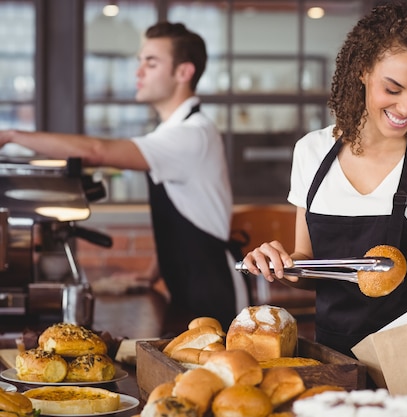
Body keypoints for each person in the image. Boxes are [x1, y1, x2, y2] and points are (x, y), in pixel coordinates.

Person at [241, 1, 407, 357]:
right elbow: (307, 264)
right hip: (332, 358)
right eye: (392, 90)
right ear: (362, 71)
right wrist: (281, 266)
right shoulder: (312, 152)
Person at [0, 21, 248, 332]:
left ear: (184, 72)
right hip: (190, 286)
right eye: (139, 61)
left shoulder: (192, 134)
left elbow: (96, 151)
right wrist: (151, 273)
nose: (138, 72)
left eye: (151, 62)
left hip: (215, 289)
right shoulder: (172, 132)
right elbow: (189, 213)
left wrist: (11, 135)